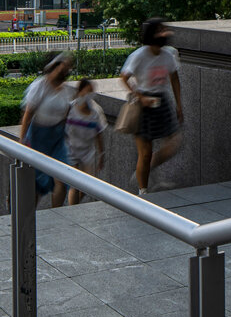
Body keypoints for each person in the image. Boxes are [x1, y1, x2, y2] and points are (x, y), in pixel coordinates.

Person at [120, 18, 183, 195]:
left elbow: (174, 79)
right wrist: (140, 97)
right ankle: (143, 191)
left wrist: (179, 105)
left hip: (162, 102)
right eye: (160, 30)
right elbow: (124, 77)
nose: (165, 33)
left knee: (174, 143)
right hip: (143, 105)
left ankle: (147, 168)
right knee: (145, 152)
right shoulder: (139, 55)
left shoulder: (167, 55)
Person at [19, 53, 74, 207]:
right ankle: (29, 214)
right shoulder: (39, 86)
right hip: (38, 136)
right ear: (53, 67)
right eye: (62, 68)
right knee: (36, 181)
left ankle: (57, 212)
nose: (65, 72)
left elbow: (66, 115)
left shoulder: (66, 90)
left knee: (61, 177)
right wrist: (22, 140)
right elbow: (28, 114)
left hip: (57, 138)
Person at [66, 77, 107, 205]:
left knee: (86, 185)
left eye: (91, 91)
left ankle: (75, 204)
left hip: (87, 152)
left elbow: (99, 134)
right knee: (74, 184)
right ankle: (72, 209)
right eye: (87, 91)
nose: (89, 94)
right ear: (80, 91)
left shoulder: (96, 112)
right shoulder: (70, 108)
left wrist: (101, 154)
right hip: (70, 149)